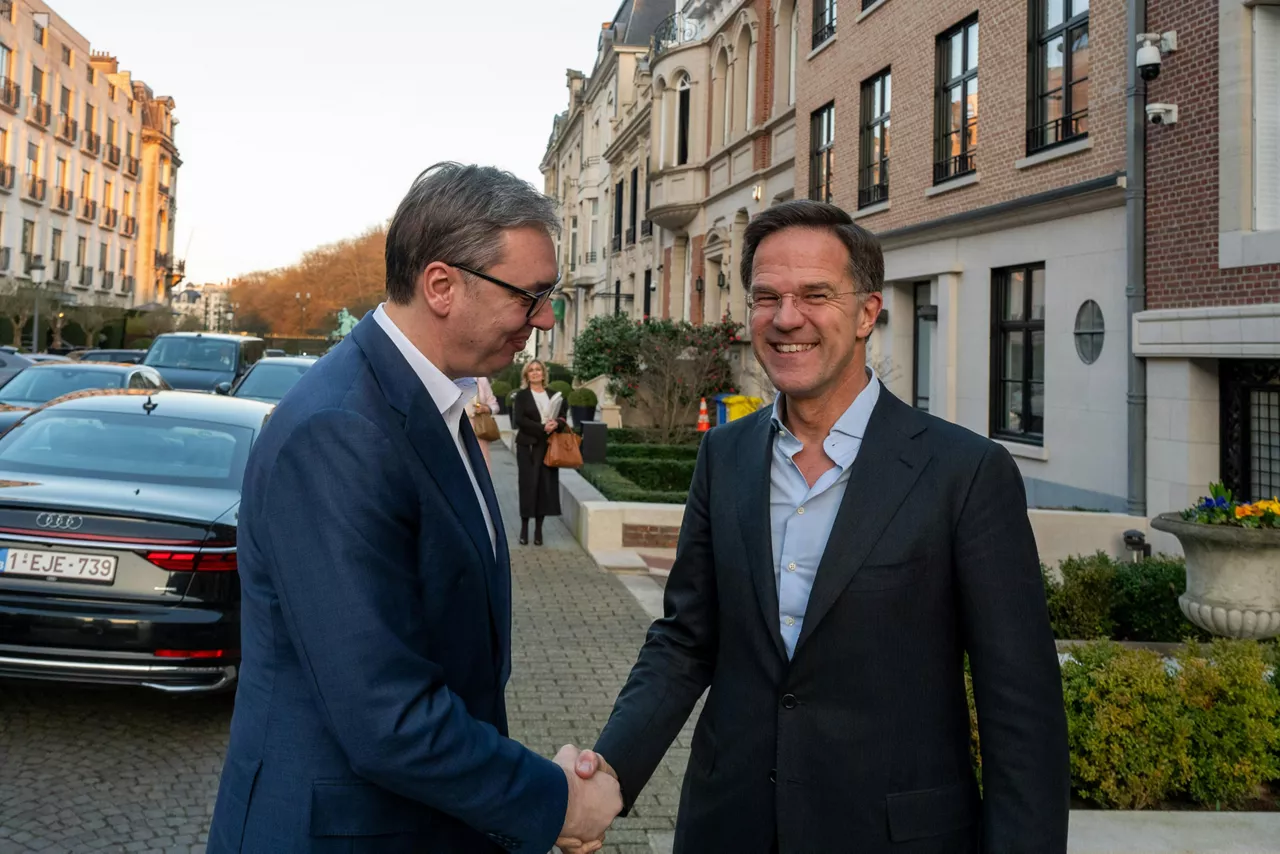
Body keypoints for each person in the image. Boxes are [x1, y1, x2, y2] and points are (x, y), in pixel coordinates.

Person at [575, 200, 1069, 853]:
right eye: (767, 296)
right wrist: (609, 772)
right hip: (729, 829)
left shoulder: (966, 473)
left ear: (868, 312)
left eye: (815, 295)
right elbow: (686, 641)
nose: (787, 318)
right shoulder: (725, 457)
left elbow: (1020, 710)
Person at [208, 162, 621, 854]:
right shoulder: (340, 430)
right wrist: (554, 802)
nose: (546, 319)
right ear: (441, 285)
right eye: (532, 295)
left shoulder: (438, 401)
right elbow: (385, 714)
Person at [511, 359, 568, 546]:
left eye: (538, 370)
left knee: (545, 486)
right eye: (531, 370)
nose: (535, 373)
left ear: (543, 374)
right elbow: (519, 419)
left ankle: (538, 530)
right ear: (526, 375)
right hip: (527, 446)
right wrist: (541, 427)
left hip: (548, 447)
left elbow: (562, 416)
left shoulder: (554, 395)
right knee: (528, 485)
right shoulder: (521, 396)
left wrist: (556, 424)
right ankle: (524, 528)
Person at [466, 375, 501, 471]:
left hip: (478, 428)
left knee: (481, 467)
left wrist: (486, 408)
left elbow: (494, 405)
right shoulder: (451, 375)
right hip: (456, 428)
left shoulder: (480, 379)